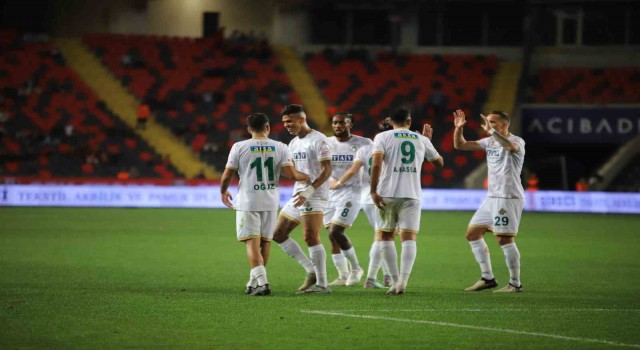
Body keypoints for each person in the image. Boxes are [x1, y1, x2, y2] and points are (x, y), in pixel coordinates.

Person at [220, 113, 310, 296]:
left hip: (248, 201)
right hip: (270, 201)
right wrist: (307, 176)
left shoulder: (239, 146)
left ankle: (263, 282)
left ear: (249, 129)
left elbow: (228, 174)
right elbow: (291, 174)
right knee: (265, 242)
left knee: (251, 243)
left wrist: (223, 191)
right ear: (268, 127)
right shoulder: (280, 147)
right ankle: (253, 282)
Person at [370, 108, 444, 295]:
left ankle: (394, 281)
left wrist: (373, 190)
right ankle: (403, 281)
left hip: (387, 194)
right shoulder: (421, 139)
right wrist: (426, 143)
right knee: (409, 238)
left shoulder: (382, 137)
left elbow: (377, 163)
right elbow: (439, 163)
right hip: (412, 194)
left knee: (386, 236)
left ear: (390, 121)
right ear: (409, 121)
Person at [453, 109, 526, 293]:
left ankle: (515, 283)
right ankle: (487, 278)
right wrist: (459, 128)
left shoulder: (517, 141)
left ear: (505, 124)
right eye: (489, 122)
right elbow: (460, 146)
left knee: (504, 239)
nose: (489, 124)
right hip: (491, 197)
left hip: (507, 197)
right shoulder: (489, 142)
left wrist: (491, 131)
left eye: (493, 122)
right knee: (472, 234)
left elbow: (510, 147)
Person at [272, 104, 333, 294]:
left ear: (301, 119)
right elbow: (297, 170)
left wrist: (310, 189)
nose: (286, 125)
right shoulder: (293, 143)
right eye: (284, 122)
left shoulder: (319, 140)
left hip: (314, 195)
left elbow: (327, 169)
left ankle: (323, 285)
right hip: (298, 194)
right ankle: (311, 270)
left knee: (310, 236)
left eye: (289, 121)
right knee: (278, 234)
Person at [323, 112, 372, 287]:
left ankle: (356, 268)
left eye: (342, 123)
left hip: (352, 193)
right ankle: (342, 275)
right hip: (330, 194)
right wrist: (330, 182)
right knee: (331, 236)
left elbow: (374, 164)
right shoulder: (326, 143)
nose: (337, 126)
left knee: (336, 231)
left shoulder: (364, 143)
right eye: (335, 123)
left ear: (350, 124)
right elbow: (320, 167)